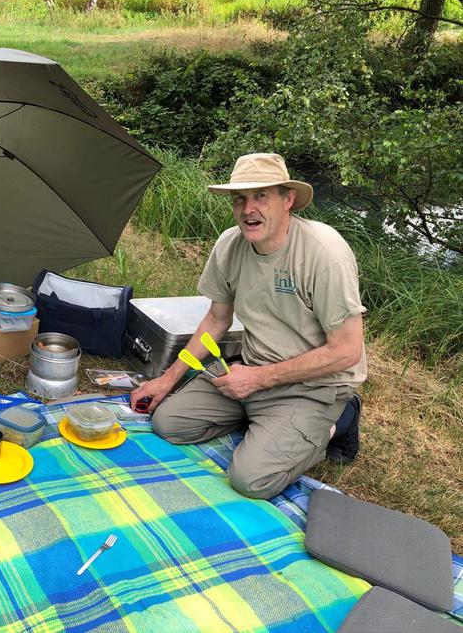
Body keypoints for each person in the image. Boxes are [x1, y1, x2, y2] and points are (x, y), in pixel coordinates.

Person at [130, 153, 366, 500]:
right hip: (250, 370)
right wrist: (167, 379)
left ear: (288, 200)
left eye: (261, 196)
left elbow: (347, 350)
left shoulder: (324, 253)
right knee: (168, 424)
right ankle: (267, 425)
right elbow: (216, 320)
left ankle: (340, 421)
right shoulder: (229, 245)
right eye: (240, 198)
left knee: (250, 480)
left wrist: (257, 379)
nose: (247, 209)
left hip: (313, 385)